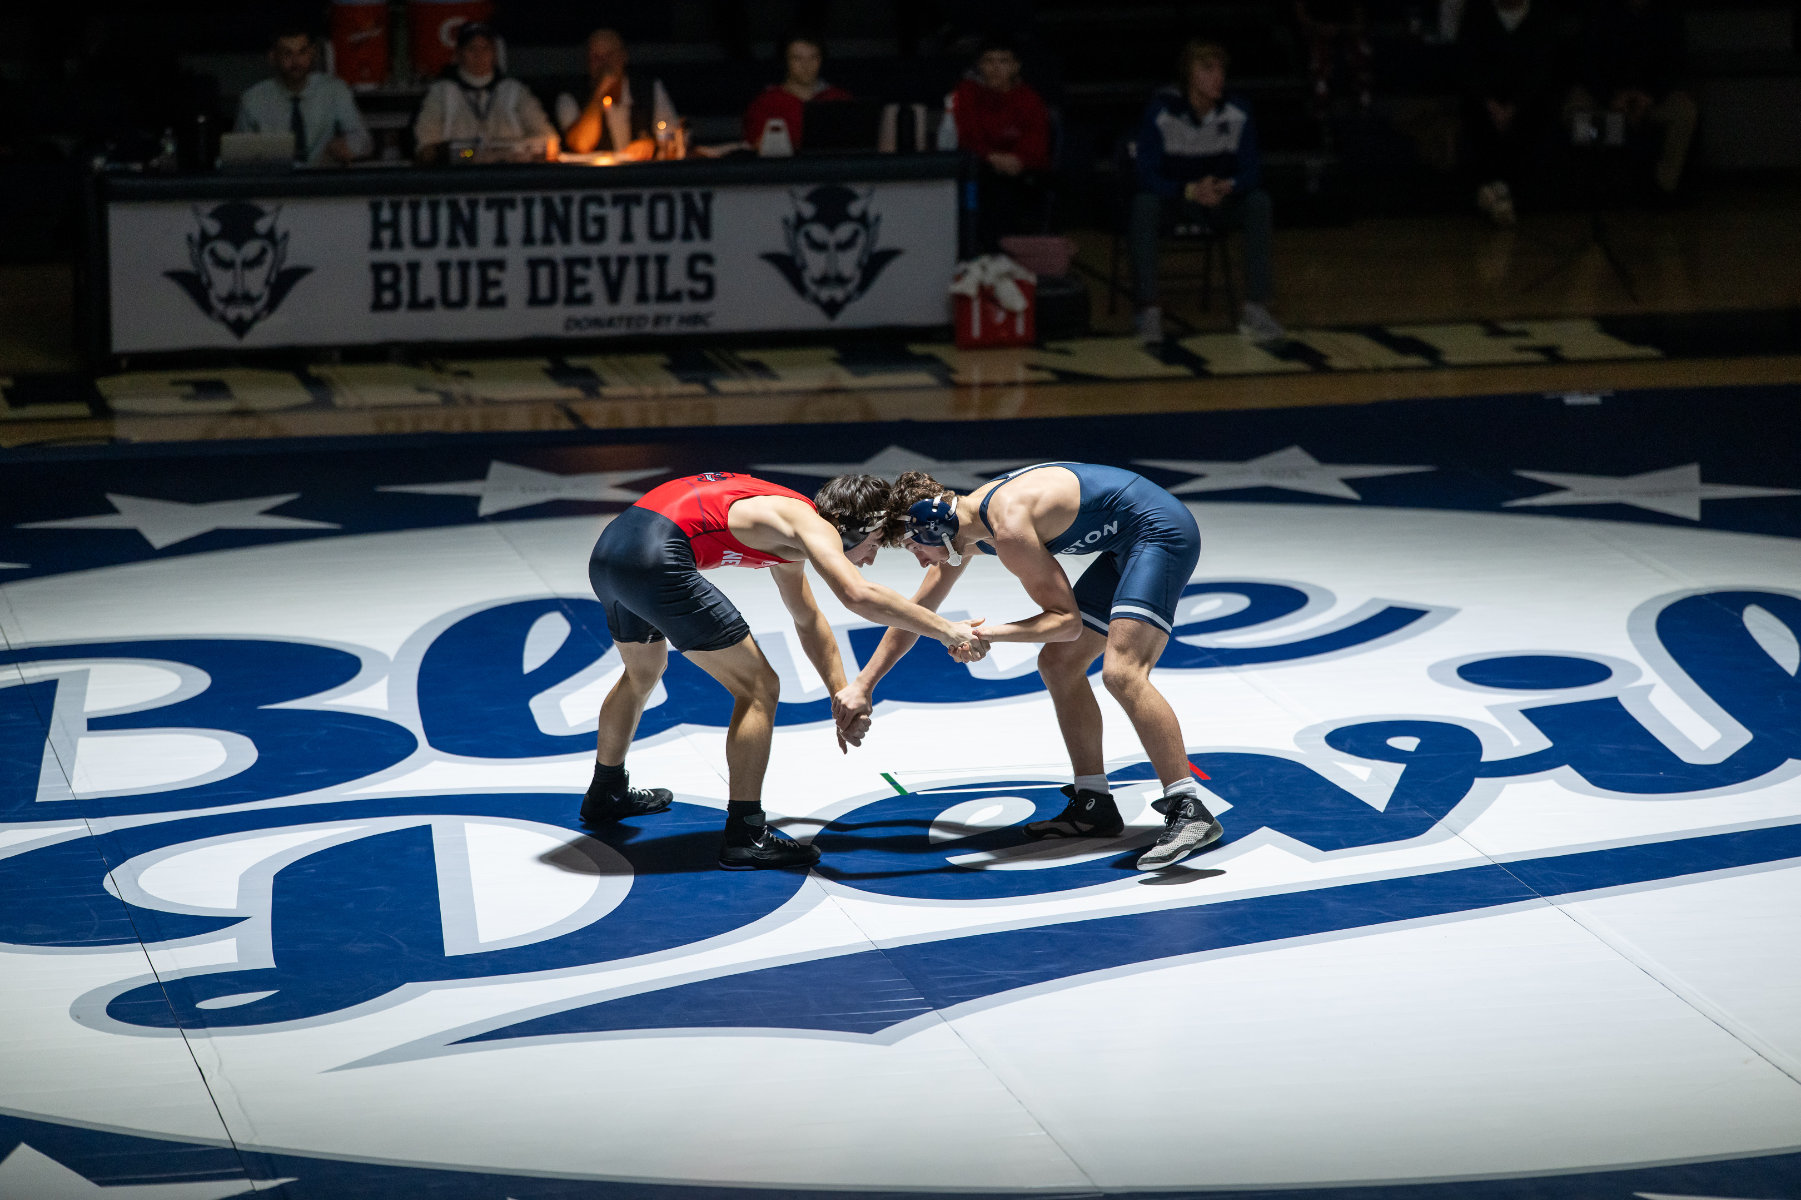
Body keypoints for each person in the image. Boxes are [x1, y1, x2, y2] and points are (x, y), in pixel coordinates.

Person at [584, 472, 988, 870]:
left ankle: (607, 792)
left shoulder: (789, 526)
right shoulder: (808, 523)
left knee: (642, 673)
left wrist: (841, 696)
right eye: (874, 544)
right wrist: (946, 630)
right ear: (852, 527)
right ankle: (745, 836)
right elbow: (858, 595)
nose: (869, 558)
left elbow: (808, 618)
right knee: (758, 688)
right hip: (655, 559)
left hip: (610, 553)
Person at [830, 465, 1224, 872]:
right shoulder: (968, 526)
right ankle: (1094, 804)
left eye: (915, 548)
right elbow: (916, 614)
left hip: (1159, 532)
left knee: (1122, 673)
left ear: (934, 530)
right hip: (1128, 538)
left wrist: (984, 635)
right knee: (1059, 663)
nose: (920, 560)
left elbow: (1066, 623)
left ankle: (1188, 807)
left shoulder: (1008, 528)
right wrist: (863, 685)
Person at [1129, 40, 1283, 345]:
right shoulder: (1162, 112)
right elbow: (1145, 175)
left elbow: (1253, 170)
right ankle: (1148, 310)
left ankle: (1255, 308)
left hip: (1218, 201)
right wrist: (1187, 190)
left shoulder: (1238, 112)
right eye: (1208, 69)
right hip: (1177, 199)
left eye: (1221, 69)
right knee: (1143, 204)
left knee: (1258, 201)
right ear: (1189, 75)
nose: (1218, 77)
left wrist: (1229, 185)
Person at [1566, 0, 1695, 197]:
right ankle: (1605, 175)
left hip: (1650, 98)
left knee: (1685, 113)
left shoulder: (1668, 14)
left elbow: (1675, 64)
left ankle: (1663, 185)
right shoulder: (1599, 11)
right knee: (1573, 114)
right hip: (1607, 97)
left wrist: (1651, 96)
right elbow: (1586, 63)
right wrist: (1610, 98)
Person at [1457, 0, 1556, 226]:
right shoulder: (1477, 13)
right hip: (1482, 106)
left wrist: (1514, 107)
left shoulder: (1541, 16)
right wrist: (1490, 104)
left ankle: (1505, 196)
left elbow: (1542, 71)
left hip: (1527, 107)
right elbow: (1467, 66)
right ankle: (1492, 195)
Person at [951, 38, 1053, 248]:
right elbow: (965, 138)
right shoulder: (966, 93)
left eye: (1003, 61)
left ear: (1016, 66)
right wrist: (991, 157)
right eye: (989, 61)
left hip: (1020, 176)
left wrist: (1017, 161)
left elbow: (1037, 147)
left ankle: (1004, 255)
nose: (996, 68)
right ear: (979, 65)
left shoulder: (1030, 100)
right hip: (977, 173)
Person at [413, 22, 558, 164]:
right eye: (472, 49)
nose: (479, 55)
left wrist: (512, 152)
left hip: (510, 170)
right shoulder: (441, 92)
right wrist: (470, 154)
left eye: (485, 48)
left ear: (494, 54)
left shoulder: (515, 90)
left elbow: (549, 139)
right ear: (459, 54)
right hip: (458, 173)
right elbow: (426, 149)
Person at [235, 26, 371, 166]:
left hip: (322, 175)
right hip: (274, 177)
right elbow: (238, 155)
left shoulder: (334, 90)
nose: (296, 61)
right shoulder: (252, 99)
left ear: (312, 53)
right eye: (287, 53)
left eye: (302, 52)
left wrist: (345, 146)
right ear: (273, 57)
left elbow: (363, 140)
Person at [558, 29, 664, 159]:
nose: (604, 63)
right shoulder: (569, 97)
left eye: (610, 55)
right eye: (596, 57)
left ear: (623, 56)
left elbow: (672, 134)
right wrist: (600, 92)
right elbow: (581, 144)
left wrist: (651, 143)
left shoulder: (648, 88)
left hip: (640, 170)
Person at [743, 33, 852, 153]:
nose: (806, 65)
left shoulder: (840, 99)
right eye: (797, 58)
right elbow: (755, 145)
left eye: (813, 57)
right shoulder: (765, 103)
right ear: (785, 61)